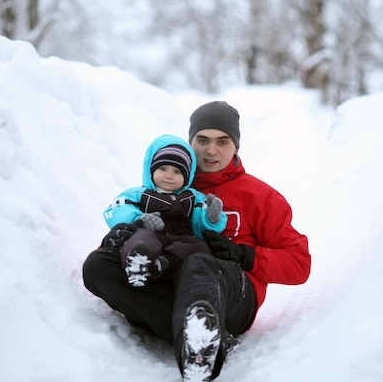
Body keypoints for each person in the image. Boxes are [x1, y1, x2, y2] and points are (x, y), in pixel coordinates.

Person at [83, 101, 311, 381]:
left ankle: (201, 348)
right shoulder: (171, 181)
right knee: (97, 266)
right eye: (203, 140)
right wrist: (120, 238)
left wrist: (243, 255)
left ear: (236, 146)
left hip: (232, 294)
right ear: (191, 142)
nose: (211, 150)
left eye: (222, 141)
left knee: (199, 262)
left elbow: (299, 264)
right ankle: (203, 336)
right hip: (168, 276)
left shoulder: (262, 197)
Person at [103, 134, 227, 287]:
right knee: (141, 237)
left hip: (181, 240)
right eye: (163, 169)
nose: (169, 176)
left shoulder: (193, 198)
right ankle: (138, 259)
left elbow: (200, 227)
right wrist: (139, 219)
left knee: (200, 247)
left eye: (177, 172)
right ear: (152, 169)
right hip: (150, 235)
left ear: (187, 176)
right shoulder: (139, 194)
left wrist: (211, 219)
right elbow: (116, 209)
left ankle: (162, 264)